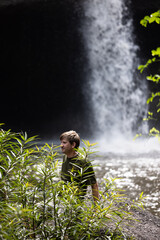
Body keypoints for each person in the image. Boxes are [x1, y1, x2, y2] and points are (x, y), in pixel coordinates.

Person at [60, 130, 99, 203]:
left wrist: (96, 209)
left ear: (73, 145)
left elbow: (94, 185)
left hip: (75, 204)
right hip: (63, 200)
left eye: (64, 143)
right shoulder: (65, 157)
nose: (61, 145)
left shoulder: (83, 161)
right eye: (61, 142)